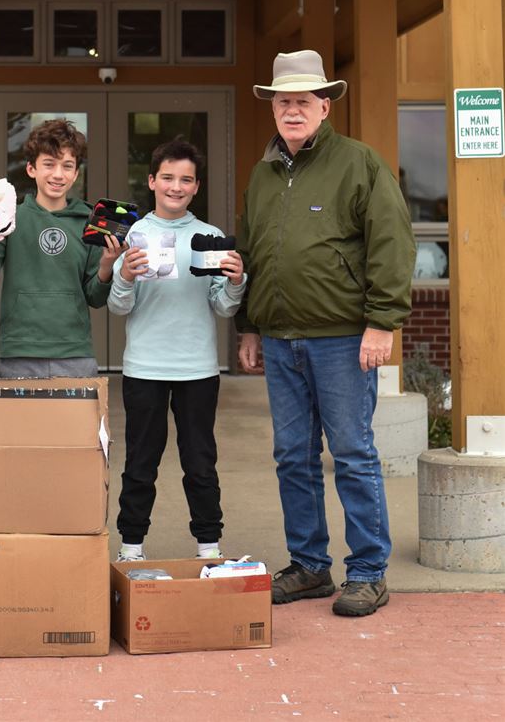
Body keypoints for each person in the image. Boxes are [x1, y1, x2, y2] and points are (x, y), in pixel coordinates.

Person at [236, 50, 415, 617]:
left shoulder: (360, 163)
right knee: (292, 456)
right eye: (283, 101)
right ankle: (310, 566)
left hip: (344, 338)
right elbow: (252, 253)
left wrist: (382, 322)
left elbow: (392, 243)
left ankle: (368, 572)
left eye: (303, 101)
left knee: (353, 454)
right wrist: (249, 327)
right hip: (281, 337)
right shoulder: (263, 175)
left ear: (325, 105)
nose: (292, 110)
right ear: (273, 108)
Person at [108, 137, 245, 562]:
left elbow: (222, 306)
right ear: (151, 181)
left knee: (201, 463)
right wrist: (125, 277)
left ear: (197, 186)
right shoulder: (134, 234)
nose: (176, 186)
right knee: (140, 465)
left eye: (186, 179)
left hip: (198, 369)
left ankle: (209, 546)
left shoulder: (211, 237)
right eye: (167, 177)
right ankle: (131, 548)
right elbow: (117, 306)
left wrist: (237, 281)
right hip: (144, 368)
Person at [0, 118, 121, 378]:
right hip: (20, 351)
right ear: (30, 169)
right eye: (49, 164)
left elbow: (96, 298)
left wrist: (106, 265)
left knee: (75, 422)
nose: (58, 174)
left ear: (76, 174)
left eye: (67, 166)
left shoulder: (90, 220)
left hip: (75, 351)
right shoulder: (9, 216)